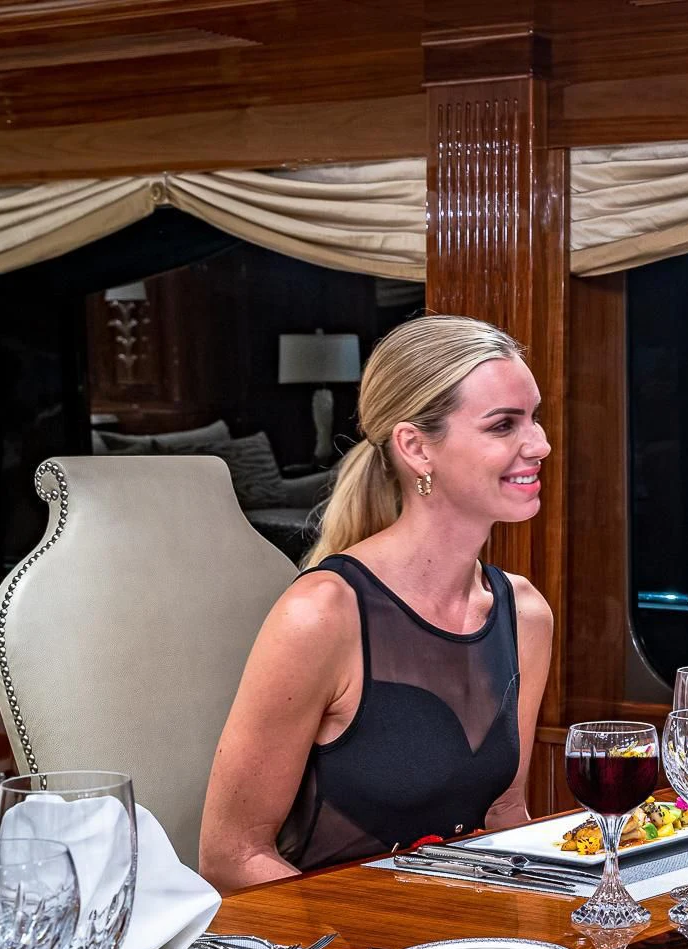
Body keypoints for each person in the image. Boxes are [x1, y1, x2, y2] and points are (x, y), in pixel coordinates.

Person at [200, 315, 555, 889]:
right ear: (416, 447)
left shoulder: (526, 615)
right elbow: (231, 857)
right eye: (503, 425)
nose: (538, 444)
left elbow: (503, 817)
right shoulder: (321, 614)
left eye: (534, 419)